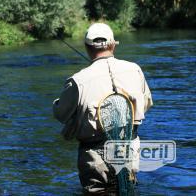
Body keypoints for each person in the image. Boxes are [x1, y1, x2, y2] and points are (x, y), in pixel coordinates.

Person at [53, 23, 153, 195]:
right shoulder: (135, 69)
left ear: (87, 47)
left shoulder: (78, 80)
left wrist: (57, 102)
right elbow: (147, 104)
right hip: (128, 149)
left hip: (94, 156)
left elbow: (60, 114)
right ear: (113, 45)